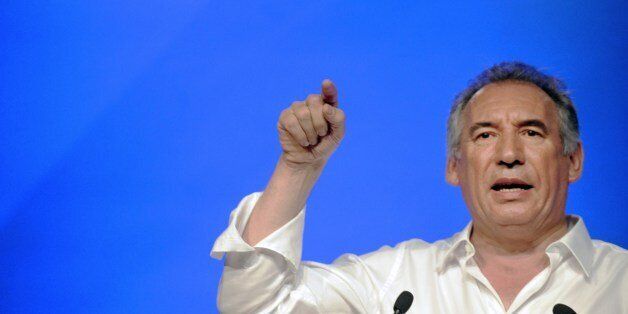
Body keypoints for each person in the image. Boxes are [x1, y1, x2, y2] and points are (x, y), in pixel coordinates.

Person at [211, 62, 627, 313]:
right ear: (453, 167)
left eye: (532, 133)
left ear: (573, 161)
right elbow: (255, 307)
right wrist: (297, 167)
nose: (509, 154)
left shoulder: (620, 282)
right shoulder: (396, 282)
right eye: (484, 136)